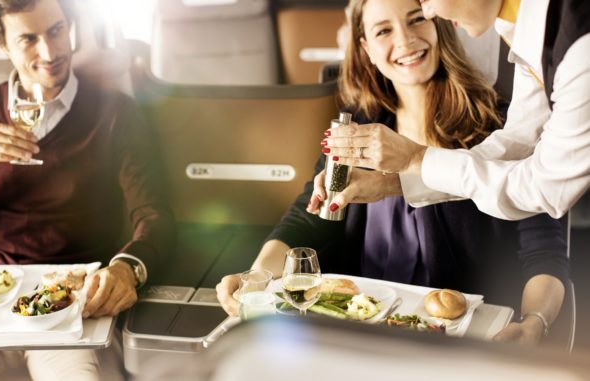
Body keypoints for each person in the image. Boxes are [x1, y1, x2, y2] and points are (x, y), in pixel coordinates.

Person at [217, 0, 569, 345]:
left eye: (416, 19)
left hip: (457, 341)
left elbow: (544, 252)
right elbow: (310, 218)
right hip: (362, 333)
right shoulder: (358, 127)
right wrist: (256, 276)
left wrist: (533, 323)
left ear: (438, 23)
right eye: (384, 30)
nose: (404, 40)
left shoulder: (500, 127)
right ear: (366, 48)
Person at [0, 0, 174, 379]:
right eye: (28, 39)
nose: (50, 53)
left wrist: (126, 269)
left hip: (66, 314)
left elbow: (154, 216)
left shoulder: (115, 112)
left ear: (70, 26)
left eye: (56, 31)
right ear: (2, 46)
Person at [320, 0, 590, 221]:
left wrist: (417, 159)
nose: (429, 13)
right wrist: (396, 183)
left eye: (425, 2)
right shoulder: (528, 28)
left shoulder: (581, 51)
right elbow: (517, 143)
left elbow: (544, 188)